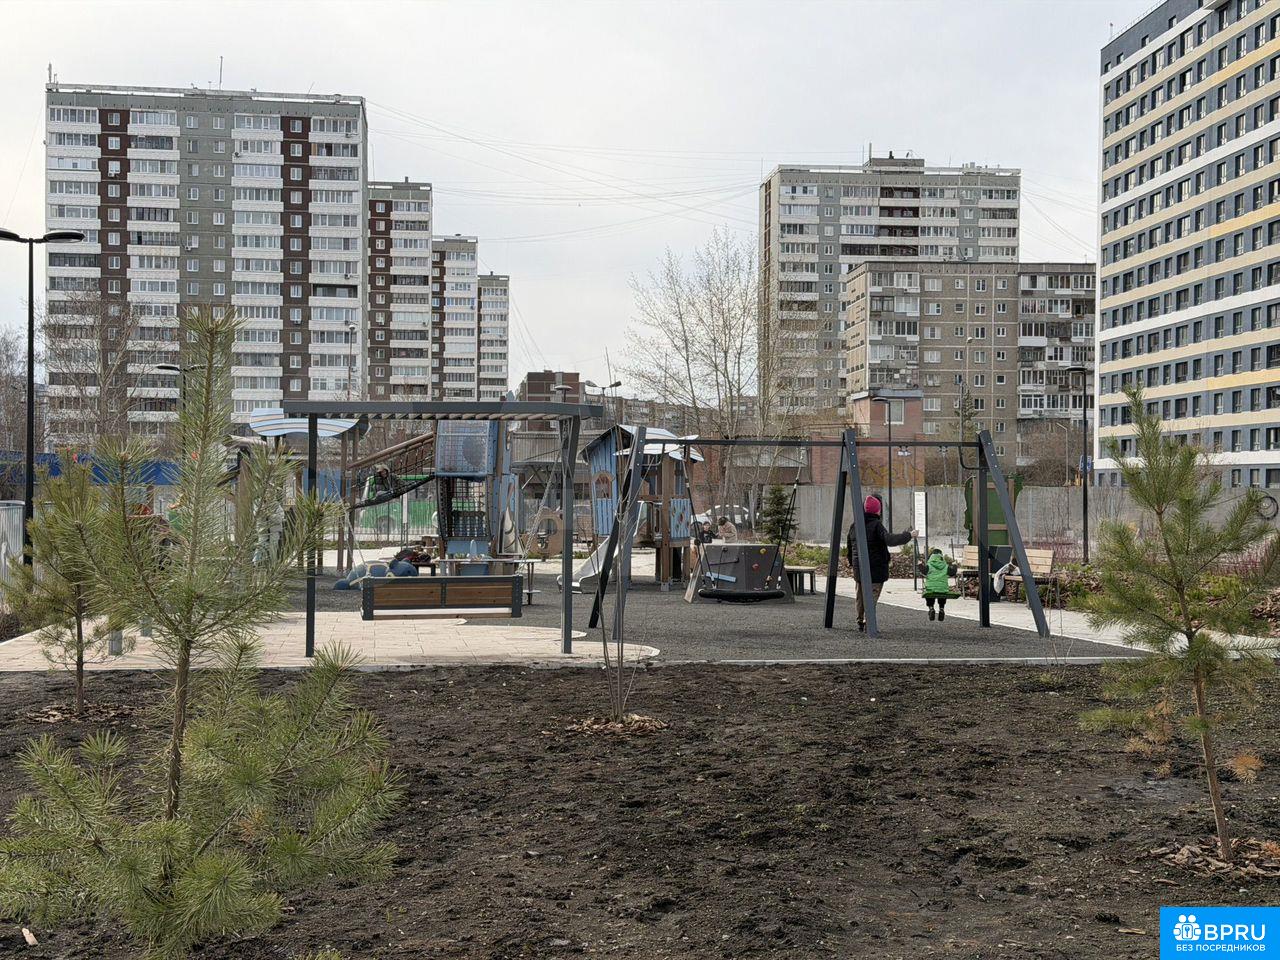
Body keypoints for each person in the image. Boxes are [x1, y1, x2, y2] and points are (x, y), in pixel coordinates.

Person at [845, 495, 916, 632]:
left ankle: (860, 620)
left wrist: (852, 563)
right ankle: (869, 622)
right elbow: (889, 540)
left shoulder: (854, 525)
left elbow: (849, 547)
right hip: (876, 568)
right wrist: (909, 535)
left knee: (860, 595)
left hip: (859, 568)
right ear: (878, 510)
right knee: (872, 595)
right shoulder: (876, 525)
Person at [919, 547, 959, 621]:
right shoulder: (946, 566)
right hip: (943, 588)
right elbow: (953, 573)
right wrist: (955, 565)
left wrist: (920, 565)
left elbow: (923, 571)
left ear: (931, 556)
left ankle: (931, 608)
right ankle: (941, 608)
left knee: (930, 594)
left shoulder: (929, 566)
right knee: (942, 593)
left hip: (931, 588)